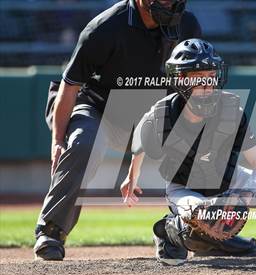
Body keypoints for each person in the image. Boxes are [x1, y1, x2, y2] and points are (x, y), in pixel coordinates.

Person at [124, 38, 256, 265]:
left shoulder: (231, 111)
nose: (207, 84)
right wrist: (132, 175)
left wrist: (243, 197)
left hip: (231, 181)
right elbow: (139, 139)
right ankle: (168, 233)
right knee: (202, 221)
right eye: (198, 77)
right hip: (186, 189)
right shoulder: (162, 114)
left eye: (210, 76)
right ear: (180, 79)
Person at [34, 0, 201, 261]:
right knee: (83, 143)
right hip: (99, 110)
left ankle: (187, 232)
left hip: (151, 116)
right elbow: (69, 86)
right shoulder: (105, 28)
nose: (170, 3)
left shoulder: (187, 24)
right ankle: (51, 231)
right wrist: (57, 140)